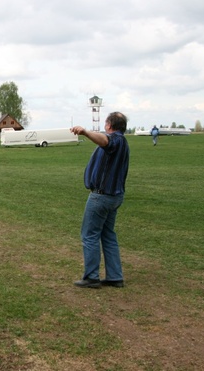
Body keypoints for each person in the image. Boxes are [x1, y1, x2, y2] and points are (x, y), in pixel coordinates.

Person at [70, 112, 130, 288]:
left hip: (102, 196)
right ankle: (114, 276)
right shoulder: (123, 143)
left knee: (89, 235)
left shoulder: (115, 140)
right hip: (114, 196)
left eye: (106, 123)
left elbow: (105, 141)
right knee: (108, 235)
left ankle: (92, 277)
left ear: (109, 125)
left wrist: (86, 132)